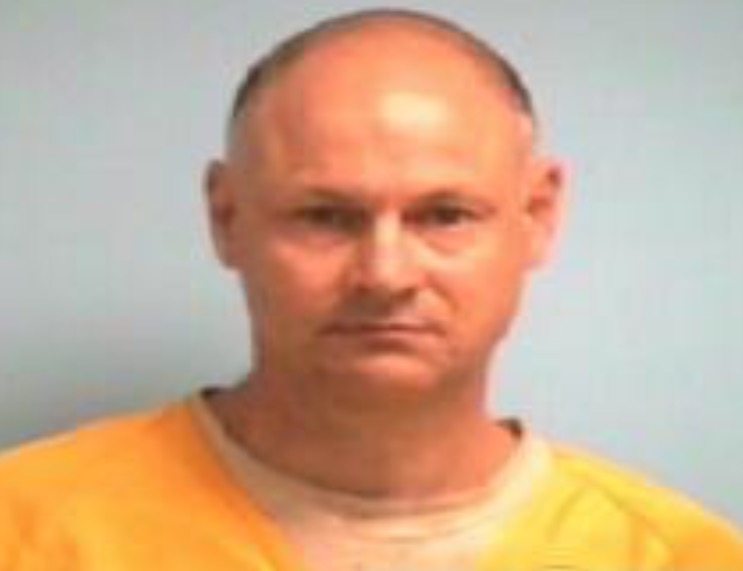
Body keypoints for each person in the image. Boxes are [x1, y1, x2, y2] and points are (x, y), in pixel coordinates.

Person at [1, 8, 742, 571]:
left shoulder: (678, 556)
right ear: (227, 218)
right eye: (325, 216)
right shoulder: (27, 527)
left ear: (537, 216)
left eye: (445, 215)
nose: (385, 275)